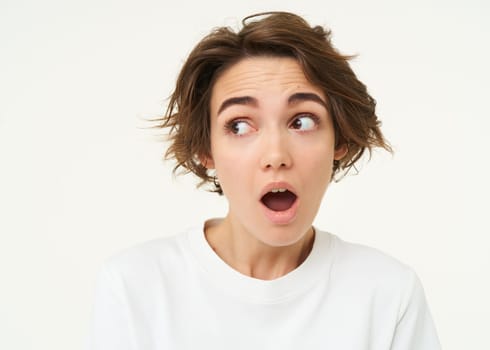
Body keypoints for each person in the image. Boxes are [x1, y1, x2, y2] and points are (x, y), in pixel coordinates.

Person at [87, 12, 441, 349]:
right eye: (239, 126)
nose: (275, 155)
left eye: (302, 121)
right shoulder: (135, 286)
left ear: (340, 140)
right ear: (205, 150)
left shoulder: (389, 293)